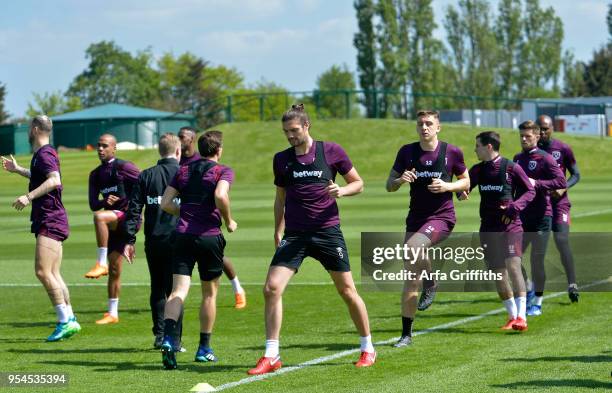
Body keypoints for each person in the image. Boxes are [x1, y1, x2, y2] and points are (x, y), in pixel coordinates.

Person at [247, 104, 376, 376]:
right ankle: (272, 354)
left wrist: (342, 190)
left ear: (307, 126)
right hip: (295, 234)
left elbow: (359, 183)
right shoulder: (281, 159)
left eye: (294, 130)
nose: (290, 136)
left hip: (327, 232)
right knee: (271, 288)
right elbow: (280, 197)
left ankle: (367, 347)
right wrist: (277, 229)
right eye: (285, 132)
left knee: (347, 291)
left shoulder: (331, 151)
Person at [385, 110, 469, 347]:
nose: (424, 127)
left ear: (438, 127)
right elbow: (388, 186)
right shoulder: (407, 152)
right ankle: (406, 335)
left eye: (429, 123)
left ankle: (430, 282)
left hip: (442, 218)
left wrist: (448, 186)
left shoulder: (451, 152)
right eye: (420, 123)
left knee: (413, 247)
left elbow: (466, 181)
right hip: (415, 219)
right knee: (411, 278)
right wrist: (401, 180)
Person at [159, 130, 237, 370]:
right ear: (219, 150)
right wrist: (228, 220)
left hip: (182, 236)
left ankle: (169, 338)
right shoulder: (222, 170)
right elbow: (221, 195)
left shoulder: (182, 171)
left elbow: (165, 203)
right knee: (209, 294)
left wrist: (183, 214)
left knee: (177, 291)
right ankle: (204, 348)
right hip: (209, 238)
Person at [1, 115, 81, 341]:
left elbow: (54, 180)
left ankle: (64, 320)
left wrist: (28, 196)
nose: (27, 130)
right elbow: (40, 175)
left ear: (35, 129)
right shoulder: (44, 154)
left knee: (43, 271)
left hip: (50, 218)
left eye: (28, 127)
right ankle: (71, 319)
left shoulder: (45, 154)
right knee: (54, 273)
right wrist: (18, 170)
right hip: (52, 218)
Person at [459, 131, 535, 331]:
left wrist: (514, 207)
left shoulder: (511, 167)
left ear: (489, 146)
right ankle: (511, 317)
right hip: (488, 227)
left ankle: (521, 317)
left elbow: (530, 190)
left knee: (513, 267)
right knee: (498, 274)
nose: (475, 149)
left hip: (510, 225)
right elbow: (464, 187)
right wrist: (462, 192)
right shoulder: (477, 170)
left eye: (477, 145)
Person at [122, 133, 184, 349]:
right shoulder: (184, 173)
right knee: (176, 290)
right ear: (178, 151)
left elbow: (134, 209)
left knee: (157, 288)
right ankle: (174, 338)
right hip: (179, 240)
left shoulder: (146, 175)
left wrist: (129, 239)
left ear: (160, 151)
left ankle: (159, 336)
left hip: (154, 241)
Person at [178, 126, 246, 309]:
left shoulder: (202, 164)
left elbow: (219, 194)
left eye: (183, 137)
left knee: (220, 258)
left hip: (205, 227)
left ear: (193, 141)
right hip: (186, 222)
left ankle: (237, 289)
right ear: (218, 149)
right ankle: (203, 336)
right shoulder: (181, 164)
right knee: (203, 291)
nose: (180, 140)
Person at [85, 134, 140, 324]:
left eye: (104, 146)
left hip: (127, 218)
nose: (100, 149)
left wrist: (130, 203)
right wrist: (103, 201)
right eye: (98, 146)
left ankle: (100, 263)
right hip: (112, 223)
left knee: (99, 217)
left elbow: (144, 183)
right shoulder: (95, 174)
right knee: (115, 270)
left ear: (114, 148)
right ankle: (112, 313)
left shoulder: (125, 167)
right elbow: (93, 204)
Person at [513, 121, 566, 316]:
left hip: (543, 216)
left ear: (537, 136)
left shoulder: (545, 158)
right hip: (522, 216)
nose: (524, 139)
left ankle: (538, 302)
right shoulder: (517, 159)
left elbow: (560, 181)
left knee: (537, 261)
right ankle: (527, 288)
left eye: (528, 136)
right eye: (521, 136)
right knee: (513, 258)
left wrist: (537, 183)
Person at [536, 115, 580, 302]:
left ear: (552, 128)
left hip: (559, 204)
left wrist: (563, 188)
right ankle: (535, 289)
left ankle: (572, 284)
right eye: (540, 129)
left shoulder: (562, 148)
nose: (543, 132)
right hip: (539, 205)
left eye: (546, 128)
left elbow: (576, 174)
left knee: (561, 240)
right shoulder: (531, 151)